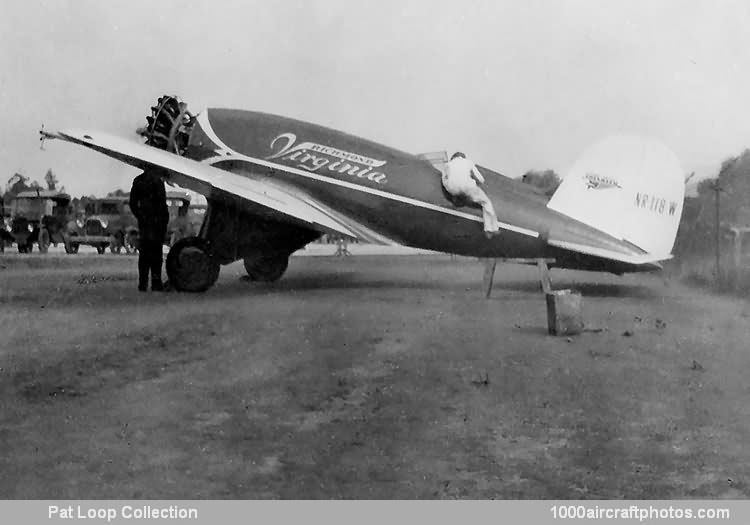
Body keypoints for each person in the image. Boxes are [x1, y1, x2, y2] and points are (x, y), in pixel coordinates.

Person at [129, 169, 169, 291]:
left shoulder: (138, 181)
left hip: (145, 222)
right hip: (157, 222)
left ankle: (143, 283)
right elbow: (162, 204)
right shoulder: (158, 182)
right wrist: (163, 222)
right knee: (156, 254)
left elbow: (133, 203)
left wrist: (140, 216)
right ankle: (156, 282)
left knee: (144, 255)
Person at [443, 152, 500, 237]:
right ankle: (491, 229)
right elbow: (481, 179)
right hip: (467, 187)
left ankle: (456, 197)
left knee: (455, 190)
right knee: (486, 202)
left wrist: (449, 189)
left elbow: (444, 179)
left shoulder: (448, 164)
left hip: (452, 188)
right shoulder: (468, 162)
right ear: (463, 157)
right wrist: (477, 184)